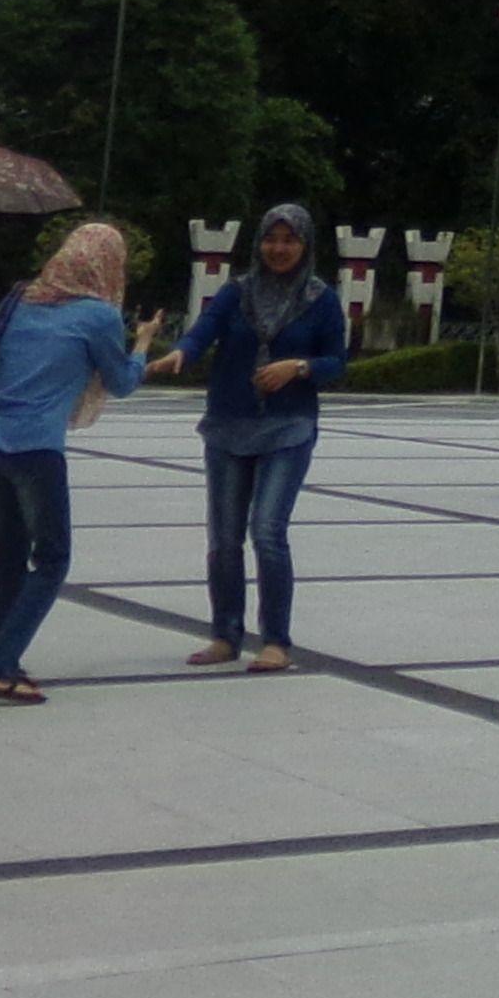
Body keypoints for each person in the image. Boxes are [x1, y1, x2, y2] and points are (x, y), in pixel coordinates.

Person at [149, 203, 346, 670]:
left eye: (289, 240)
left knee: (268, 531)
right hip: (229, 424)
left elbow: (337, 362)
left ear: (305, 245)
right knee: (223, 538)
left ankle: (275, 641)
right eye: (270, 239)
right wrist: (180, 353)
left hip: (288, 427)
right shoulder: (236, 292)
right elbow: (203, 332)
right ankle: (225, 635)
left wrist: (298, 367)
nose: (278, 249)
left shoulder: (322, 299)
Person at [0, 220, 140, 704]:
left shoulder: (20, 299)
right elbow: (120, 381)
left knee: (8, 559)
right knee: (53, 557)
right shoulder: (99, 315)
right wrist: (143, 347)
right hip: (35, 447)